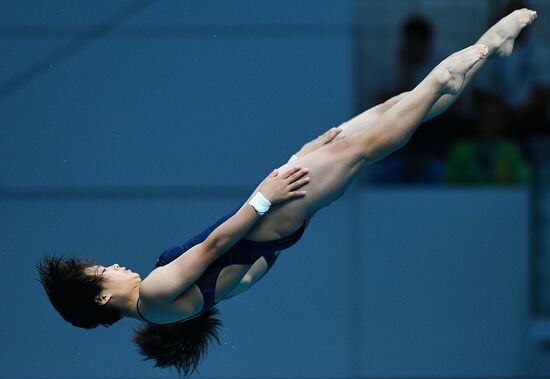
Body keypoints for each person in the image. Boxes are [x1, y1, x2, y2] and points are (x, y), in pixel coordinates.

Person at [36, 8, 537, 377]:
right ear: (101, 295)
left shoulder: (167, 305)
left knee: (399, 108)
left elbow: (246, 273)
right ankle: (490, 44)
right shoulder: (157, 297)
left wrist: (287, 201)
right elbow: (215, 247)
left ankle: (490, 51)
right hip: (283, 196)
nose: (112, 265)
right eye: (100, 271)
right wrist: (265, 195)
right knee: (405, 115)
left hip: (290, 197)